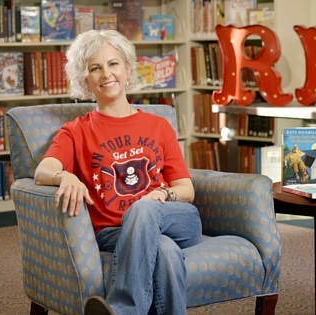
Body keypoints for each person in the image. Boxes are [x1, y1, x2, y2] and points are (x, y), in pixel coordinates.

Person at [33, 29, 202, 315]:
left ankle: (123, 309)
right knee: (165, 252)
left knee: (144, 209)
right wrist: (66, 175)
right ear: (85, 80)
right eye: (95, 68)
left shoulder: (158, 126)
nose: (106, 74)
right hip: (113, 232)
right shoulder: (76, 131)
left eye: (113, 64)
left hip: (175, 219)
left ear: (127, 68)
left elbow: (186, 190)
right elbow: (43, 171)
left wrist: (161, 193)